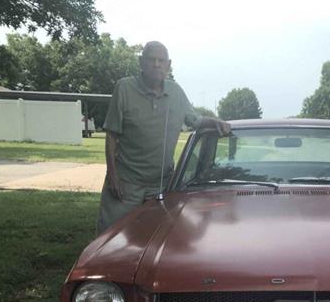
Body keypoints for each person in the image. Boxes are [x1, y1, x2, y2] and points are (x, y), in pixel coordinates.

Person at [96, 41, 230, 235]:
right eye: (151, 60)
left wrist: (215, 121)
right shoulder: (124, 88)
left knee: (154, 239)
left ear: (168, 65)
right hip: (126, 184)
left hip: (161, 185)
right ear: (141, 62)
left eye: (161, 60)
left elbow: (195, 120)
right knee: (110, 239)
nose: (157, 64)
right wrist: (113, 175)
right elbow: (111, 135)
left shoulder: (175, 92)